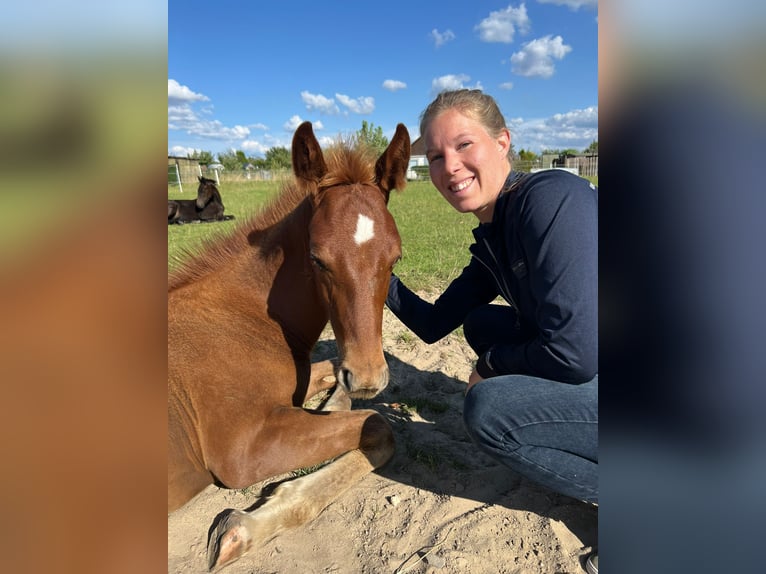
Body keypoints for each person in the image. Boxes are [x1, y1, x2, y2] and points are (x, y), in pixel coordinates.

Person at [386, 89, 598, 572]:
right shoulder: (497, 235)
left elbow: (576, 355)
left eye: (464, 145)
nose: (450, 166)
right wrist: (370, 268)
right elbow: (435, 323)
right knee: (481, 322)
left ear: (502, 142)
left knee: (488, 409)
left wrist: (492, 365)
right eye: (437, 156)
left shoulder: (549, 200)